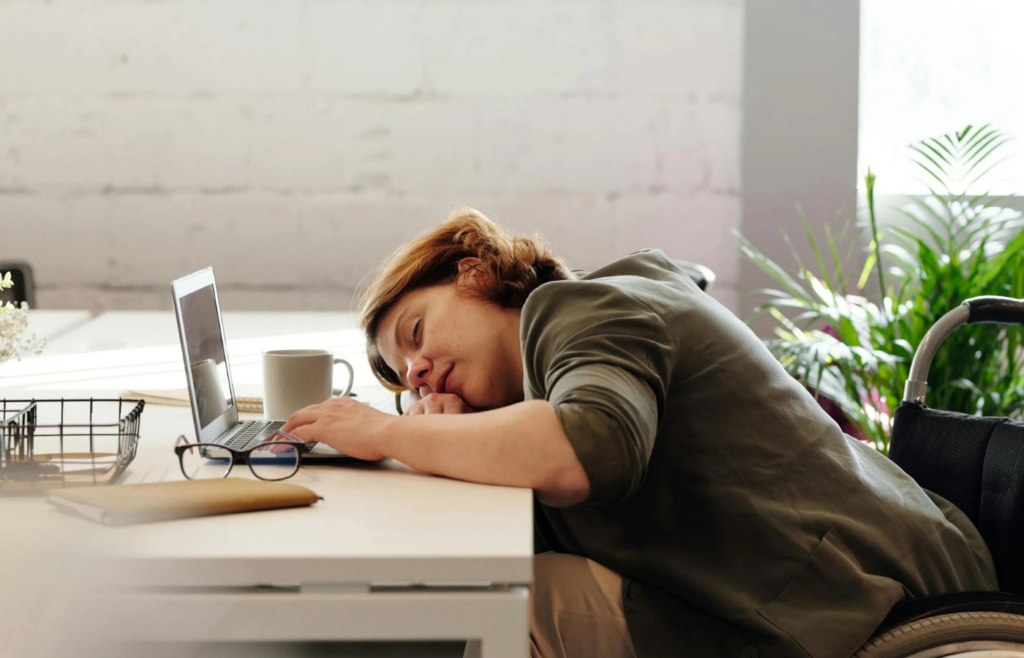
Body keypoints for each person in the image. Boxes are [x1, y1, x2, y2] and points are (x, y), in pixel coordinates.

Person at [280, 208, 997, 658]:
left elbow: (589, 449)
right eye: (405, 377)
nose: (420, 372)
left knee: (475, 603)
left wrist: (387, 433)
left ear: (473, 274)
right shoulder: (572, 340)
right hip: (836, 576)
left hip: (852, 601)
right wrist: (450, 441)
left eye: (415, 334)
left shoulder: (582, 310)